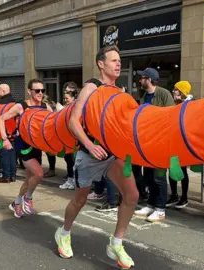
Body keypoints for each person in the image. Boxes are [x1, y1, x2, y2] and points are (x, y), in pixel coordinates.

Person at [54, 45, 138, 269]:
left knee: (132, 195)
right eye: (113, 60)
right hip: (90, 154)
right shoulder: (91, 87)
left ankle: (116, 243)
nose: (118, 64)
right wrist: (90, 145)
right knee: (80, 200)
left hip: (112, 154)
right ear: (101, 64)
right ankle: (63, 232)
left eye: (119, 60)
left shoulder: (120, 92)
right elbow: (73, 121)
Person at [0, 78, 52, 218]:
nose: (40, 93)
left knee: (29, 179)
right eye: (37, 90)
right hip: (23, 146)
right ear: (29, 91)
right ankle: (28, 197)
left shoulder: (46, 107)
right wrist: (5, 139)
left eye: (42, 90)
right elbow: (1, 119)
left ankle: (16, 202)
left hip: (37, 147)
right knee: (39, 174)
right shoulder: (21, 106)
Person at [134, 67, 174, 222]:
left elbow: (171, 116)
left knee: (159, 177)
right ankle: (151, 204)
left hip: (161, 143)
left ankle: (160, 208)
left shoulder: (164, 94)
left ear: (149, 79)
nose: (140, 80)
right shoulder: (144, 95)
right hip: (147, 142)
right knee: (149, 176)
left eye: (142, 78)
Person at [167, 80, 193, 209]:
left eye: (176, 89)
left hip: (182, 142)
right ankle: (174, 194)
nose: (173, 91)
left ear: (182, 92)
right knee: (172, 168)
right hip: (173, 141)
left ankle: (184, 197)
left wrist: (182, 102)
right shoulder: (173, 103)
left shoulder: (188, 104)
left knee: (182, 170)